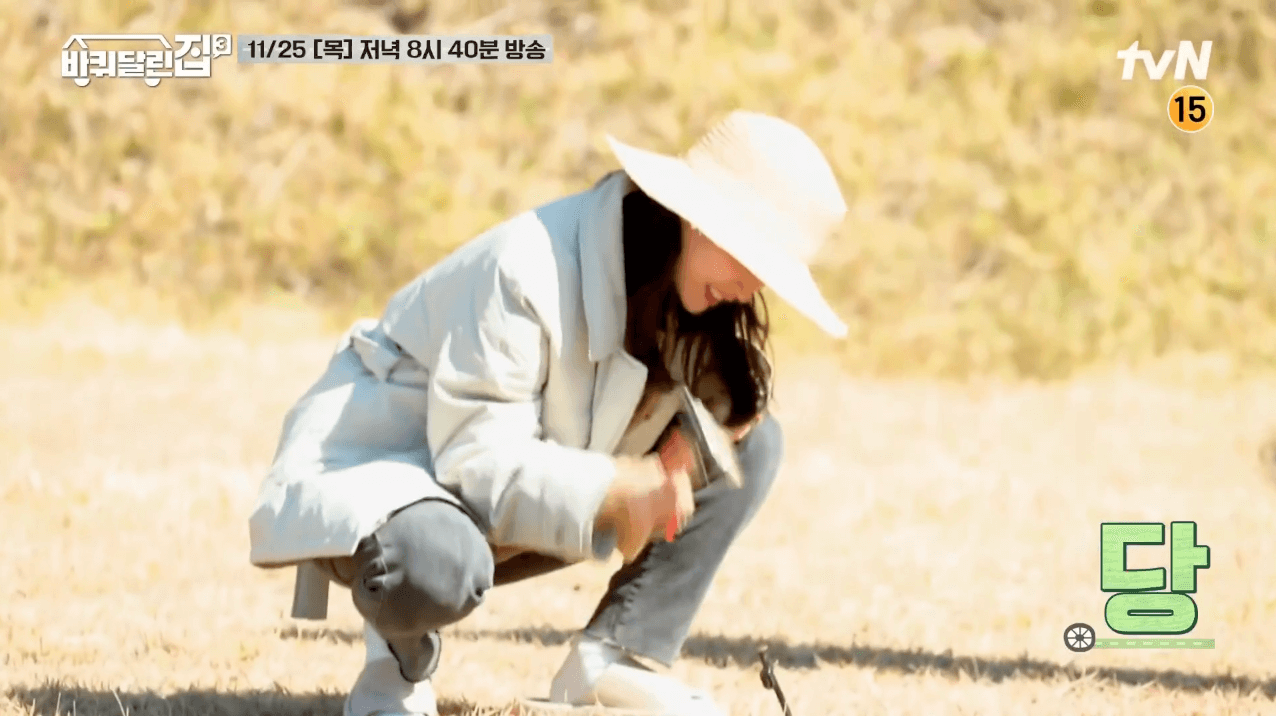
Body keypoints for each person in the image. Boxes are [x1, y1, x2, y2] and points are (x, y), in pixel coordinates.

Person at [247, 110, 849, 716]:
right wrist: (621, 486)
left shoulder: (681, 286)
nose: (751, 287)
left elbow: (714, 415)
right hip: (394, 483)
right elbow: (474, 464)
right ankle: (395, 669)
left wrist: (712, 426)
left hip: (499, 500)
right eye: (750, 258)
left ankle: (613, 659)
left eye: (768, 274)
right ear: (696, 216)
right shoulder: (525, 266)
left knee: (751, 444)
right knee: (432, 559)